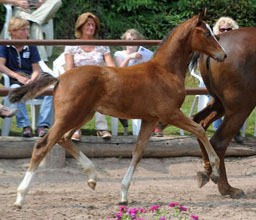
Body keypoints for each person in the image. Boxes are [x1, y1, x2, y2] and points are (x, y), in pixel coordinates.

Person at [65, 12, 115, 141]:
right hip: (79, 81)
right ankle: (75, 128)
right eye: (88, 25)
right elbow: (69, 69)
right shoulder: (72, 46)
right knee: (82, 93)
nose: (91, 28)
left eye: (93, 25)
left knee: (98, 92)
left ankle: (102, 128)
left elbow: (111, 65)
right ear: (80, 26)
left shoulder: (102, 46)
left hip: (100, 81)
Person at [0, 17, 54, 137]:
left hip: (31, 81)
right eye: (23, 30)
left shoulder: (31, 46)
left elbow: (36, 69)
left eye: (27, 30)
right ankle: (26, 126)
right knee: (14, 89)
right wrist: (18, 77)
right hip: (14, 80)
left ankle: (42, 126)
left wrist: (31, 80)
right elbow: (1, 66)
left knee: (51, 91)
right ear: (13, 31)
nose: (27, 33)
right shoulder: (5, 45)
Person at [212, 16, 243, 143]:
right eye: (222, 29)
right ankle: (218, 129)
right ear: (218, 30)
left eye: (228, 29)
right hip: (216, 79)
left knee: (240, 100)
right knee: (214, 99)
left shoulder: (239, 45)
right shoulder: (212, 43)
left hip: (233, 80)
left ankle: (236, 130)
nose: (225, 32)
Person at [114, 28, 144, 135]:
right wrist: (128, 58)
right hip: (124, 85)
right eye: (129, 39)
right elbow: (119, 71)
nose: (131, 42)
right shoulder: (119, 54)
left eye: (134, 39)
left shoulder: (143, 55)